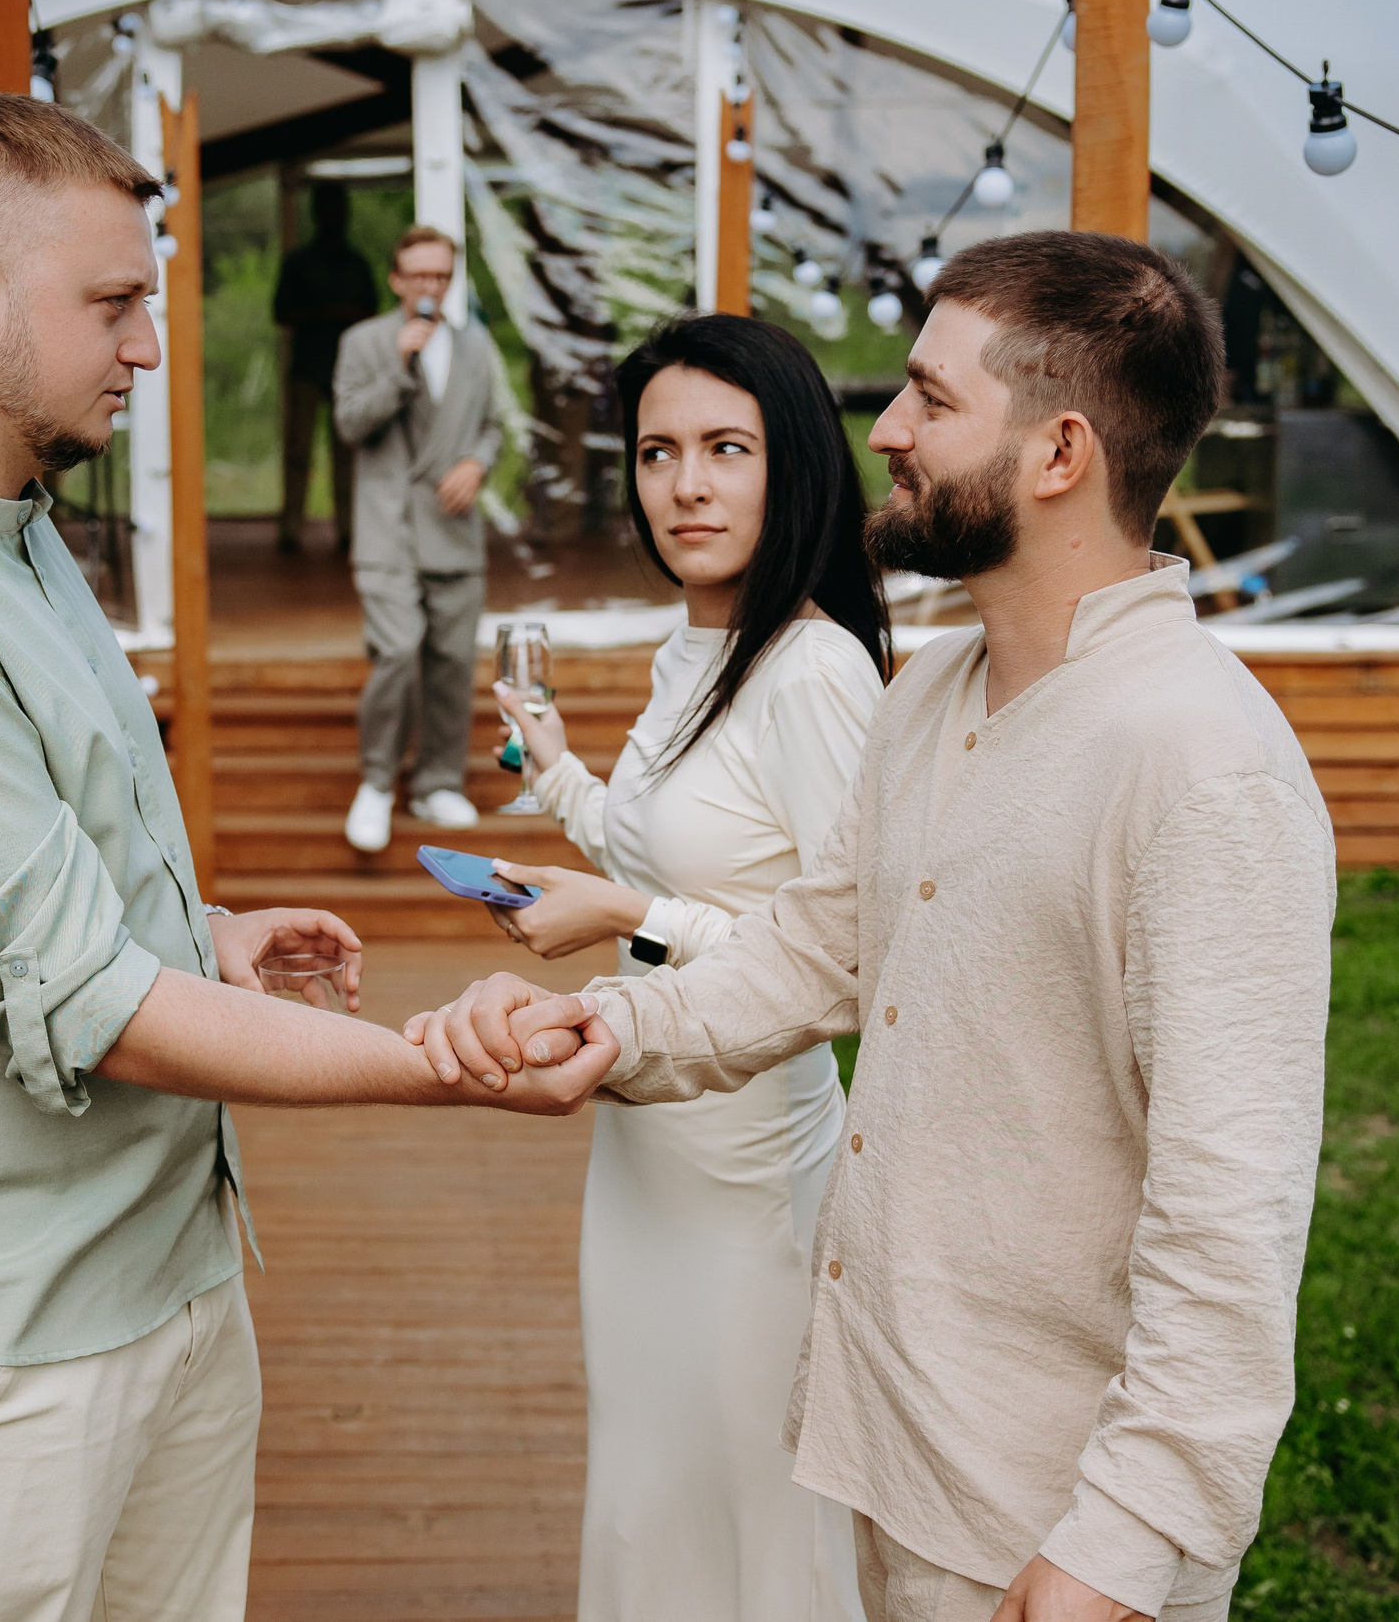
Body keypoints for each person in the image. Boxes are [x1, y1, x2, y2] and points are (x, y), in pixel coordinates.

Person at [0, 95, 613, 1622]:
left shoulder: (9, 520)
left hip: (165, 1276)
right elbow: (103, 1012)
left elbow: (35, 870)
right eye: (114, 304)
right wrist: (443, 1066)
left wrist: (203, 924)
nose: (146, 347)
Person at [414, 232, 1338, 1622]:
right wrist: (605, 1026)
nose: (886, 431)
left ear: (1059, 452)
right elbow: (811, 947)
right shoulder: (932, 696)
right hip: (891, 1446)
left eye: (930, 399)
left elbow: (1232, 1224)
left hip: (1055, 1515)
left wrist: (1127, 1540)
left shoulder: (1202, 762)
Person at [479, 314, 884, 1622]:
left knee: (755, 1505)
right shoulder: (694, 643)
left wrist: (625, 913)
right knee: (651, 1482)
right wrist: (556, 772)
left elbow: (860, 948)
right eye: (658, 452)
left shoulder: (813, 668)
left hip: (748, 1168)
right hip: (645, 1155)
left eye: (726, 447)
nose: (686, 484)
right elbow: (676, 857)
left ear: (795, 465)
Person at [334, 224, 507, 852]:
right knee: (400, 649)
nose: (431, 286)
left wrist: (477, 464)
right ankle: (378, 782)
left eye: (441, 275)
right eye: (420, 275)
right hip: (388, 528)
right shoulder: (364, 342)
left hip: (454, 527)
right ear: (397, 280)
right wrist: (401, 366)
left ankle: (438, 782)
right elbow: (351, 423)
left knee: (451, 663)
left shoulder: (476, 346)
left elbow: (492, 427)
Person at [270, 181, 378, 554]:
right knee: (298, 450)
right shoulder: (299, 262)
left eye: (340, 209)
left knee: (347, 452)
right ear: (318, 213)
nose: (336, 216)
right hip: (308, 367)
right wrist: (328, 315)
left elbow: (373, 312)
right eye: (329, 208)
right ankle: (291, 529)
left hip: (349, 372)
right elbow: (281, 312)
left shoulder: (357, 263)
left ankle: (349, 531)